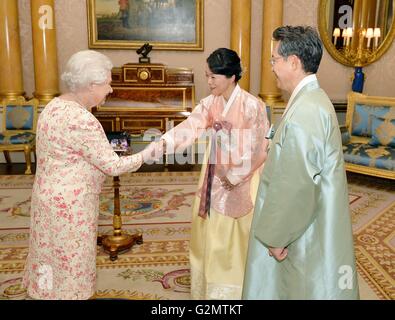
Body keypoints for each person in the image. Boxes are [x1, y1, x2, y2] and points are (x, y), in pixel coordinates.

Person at [22, 50, 163, 300]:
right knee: (72, 267)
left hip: (45, 200)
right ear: (91, 85)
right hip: (70, 208)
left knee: (48, 259)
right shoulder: (82, 119)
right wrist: (149, 153)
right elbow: (113, 166)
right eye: (107, 83)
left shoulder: (52, 107)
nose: (110, 89)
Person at [242, 26, 359, 300]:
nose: (272, 67)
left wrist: (277, 237)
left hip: (303, 230)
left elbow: (297, 183)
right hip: (307, 220)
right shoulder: (310, 101)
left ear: (293, 61)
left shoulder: (307, 109)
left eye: (274, 60)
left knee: (300, 286)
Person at [160, 48, 270, 300]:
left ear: (231, 76)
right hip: (214, 173)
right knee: (212, 229)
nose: (208, 82)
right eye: (206, 76)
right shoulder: (210, 103)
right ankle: (213, 288)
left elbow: (260, 150)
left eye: (213, 77)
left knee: (240, 231)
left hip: (246, 177)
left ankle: (243, 286)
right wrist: (160, 146)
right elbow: (189, 128)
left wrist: (233, 177)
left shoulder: (253, 106)